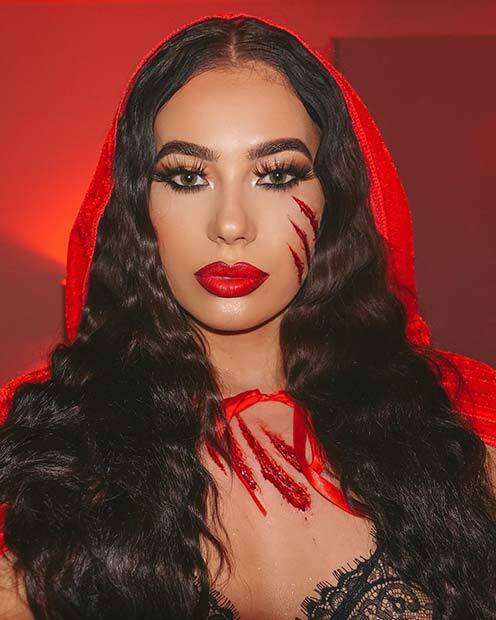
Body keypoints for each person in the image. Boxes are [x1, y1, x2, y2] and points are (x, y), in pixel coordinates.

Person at [0, 11, 495, 620]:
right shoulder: (43, 450)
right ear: (136, 204)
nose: (230, 225)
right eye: (187, 177)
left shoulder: (464, 423)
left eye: (277, 174)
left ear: (334, 196)